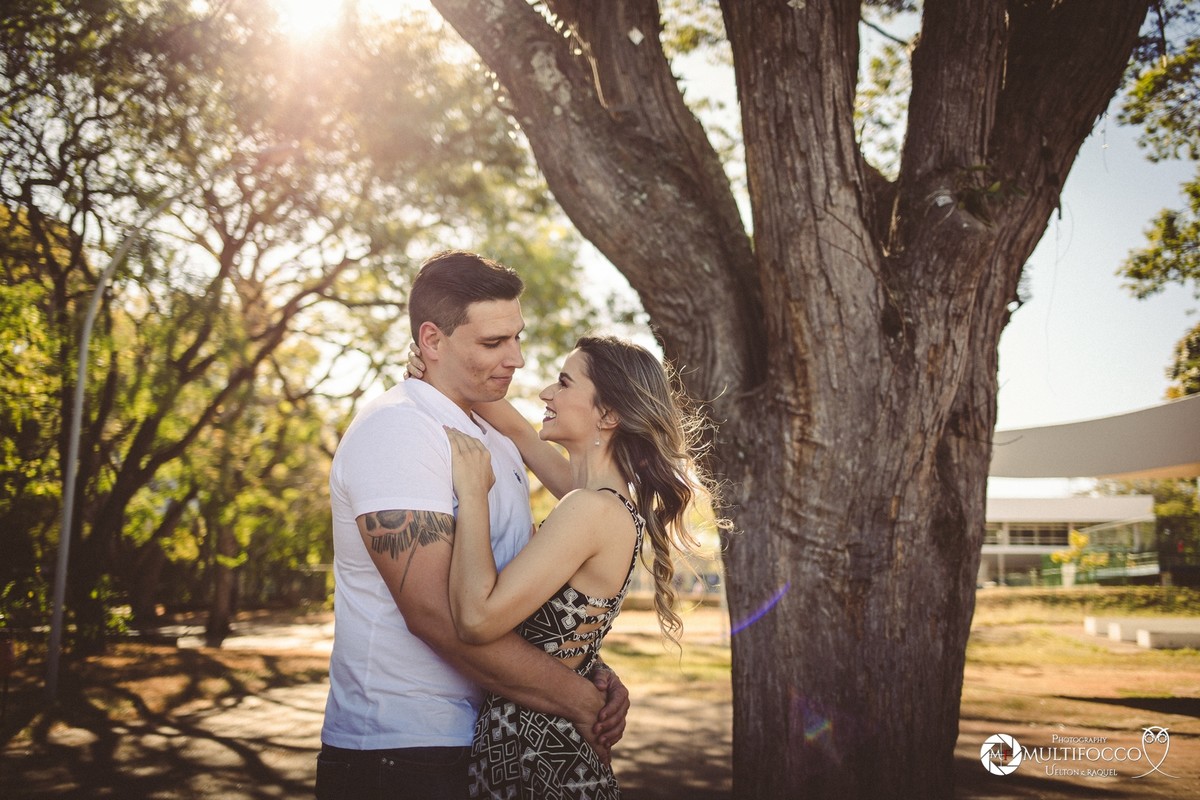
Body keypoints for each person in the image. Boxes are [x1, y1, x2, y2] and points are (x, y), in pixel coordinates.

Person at [317, 251, 628, 800]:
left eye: (516, 337)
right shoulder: (400, 431)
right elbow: (437, 616)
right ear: (432, 340)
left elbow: (522, 596)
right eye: (493, 343)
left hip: (490, 741)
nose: (518, 359)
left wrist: (585, 663)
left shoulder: (495, 439)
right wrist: (575, 697)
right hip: (403, 753)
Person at [440, 334, 715, 800]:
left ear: (608, 415)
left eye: (564, 383)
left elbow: (475, 618)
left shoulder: (590, 509)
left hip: (537, 757)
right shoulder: (600, 501)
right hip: (538, 746)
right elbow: (520, 432)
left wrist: (472, 493)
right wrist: (445, 366)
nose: (546, 392)